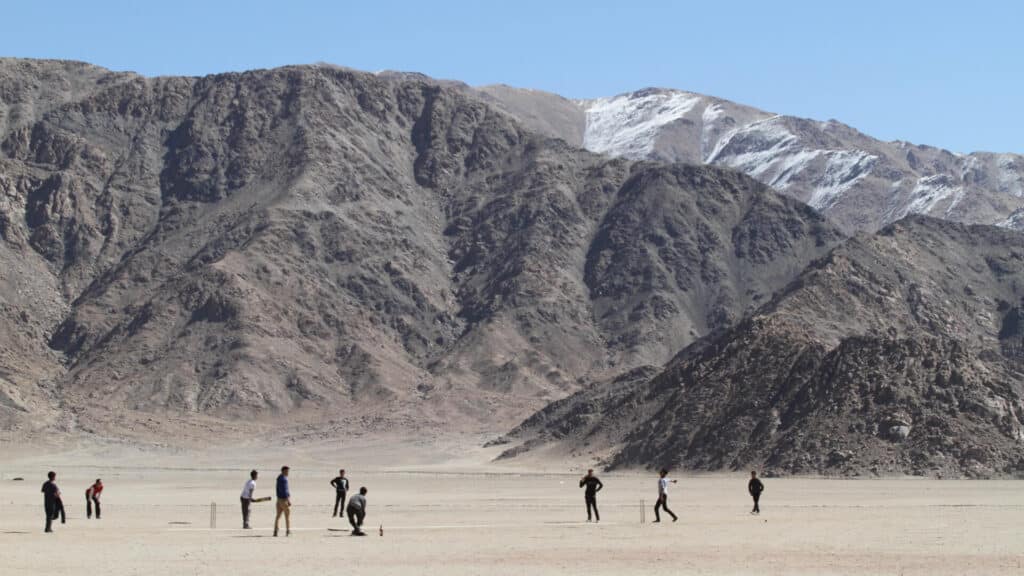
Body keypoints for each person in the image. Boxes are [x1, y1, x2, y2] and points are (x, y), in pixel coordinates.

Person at [274, 466, 291, 537]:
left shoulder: (279, 478)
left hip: (278, 499)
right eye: (287, 471)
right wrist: (288, 500)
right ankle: (288, 530)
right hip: (283, 500)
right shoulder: (284, 479)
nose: (288, 473)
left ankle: (275, 530)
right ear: (284, 471)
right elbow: (285, 491)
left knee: (278, 516)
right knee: (287, 516)